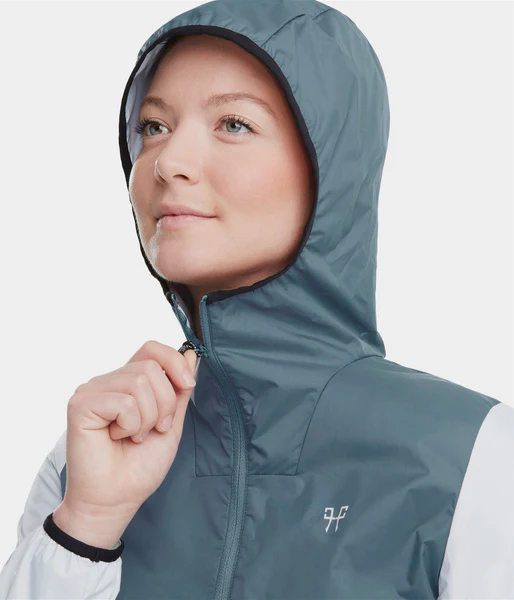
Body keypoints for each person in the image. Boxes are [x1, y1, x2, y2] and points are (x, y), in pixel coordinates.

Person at [1, 1, 513, 599]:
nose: (168, 162)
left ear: (331, 166)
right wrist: (87, 526)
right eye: (154, 127)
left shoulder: (473, 458)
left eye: (234, 124)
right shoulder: (91, 456)